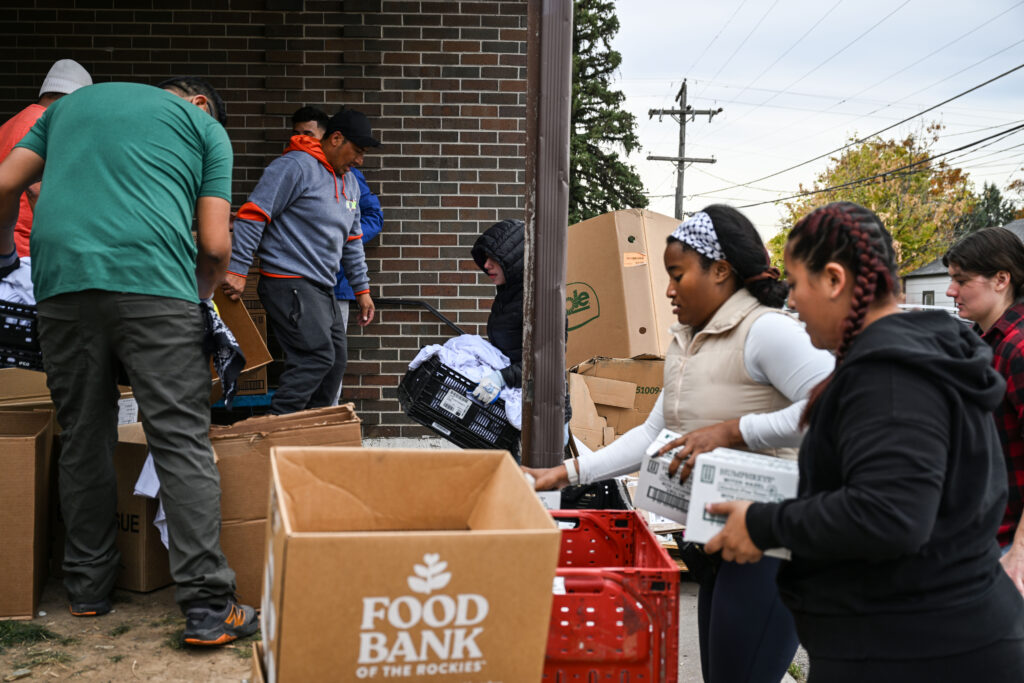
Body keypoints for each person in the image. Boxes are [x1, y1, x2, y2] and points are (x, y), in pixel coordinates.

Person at [707, 202, 1024, 682]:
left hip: (927, 650)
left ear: (835, 279)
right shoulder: (899, 358)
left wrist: (764, 523)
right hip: (916, 638)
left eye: (796, 285)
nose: (790, 302)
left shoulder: (891, 376)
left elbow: (890, 514)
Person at [526, 205, 835, 683]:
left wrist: (736, 430)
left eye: (677, 274)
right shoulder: (689, 343)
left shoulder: (767, 331)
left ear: (720, 270)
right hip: (712, 537)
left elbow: (837, 407)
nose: (668, 289)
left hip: (771, 549)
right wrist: (566, 473)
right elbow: (653, 435)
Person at [0, 76, 258, 646]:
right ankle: (210, 610)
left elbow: (4, 184)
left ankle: (88, 589)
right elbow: (216, 246)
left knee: (83, 432)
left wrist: (2, 252)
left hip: (63, 285)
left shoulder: (67, 110)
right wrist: (199, 295)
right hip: (157, 290)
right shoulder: (205, 127)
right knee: (180, 439)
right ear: (197, 102)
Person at [223, 109, 377, 414]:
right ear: (335, 139)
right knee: (315, 357)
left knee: (334, 363)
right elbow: (253, 215)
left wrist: (362, 290)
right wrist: (238, 268)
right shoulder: (294, 167)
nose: (360, 160)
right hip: (289, 280)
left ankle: (310, 434)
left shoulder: (350, 184)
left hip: (323, 287)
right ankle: (275, 431)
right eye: (357, 151)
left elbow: (353, 240)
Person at [943, 227, 1024, 595]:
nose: (950, 291)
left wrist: (1019, 554)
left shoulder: (1019, 348)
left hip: (1010, 548)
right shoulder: (980, 342)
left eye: (961, 280)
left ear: (1001, 279)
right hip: (981, 535)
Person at [291, 106, 383, 404]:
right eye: (296, 133)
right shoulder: (294, 168)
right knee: (309, 360)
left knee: (332, 360)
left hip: (337, 283)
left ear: (329, 137)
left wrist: (337, 238)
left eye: (308, 134)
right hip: (298, 282)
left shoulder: (350, 176)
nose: (301, 139)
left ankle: (326, 426)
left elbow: (369, 220)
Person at [0, 59, 92, 257]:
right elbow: (36, 190)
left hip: (5, 245)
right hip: (26, 250)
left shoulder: (9, 125)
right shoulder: (49, 127)